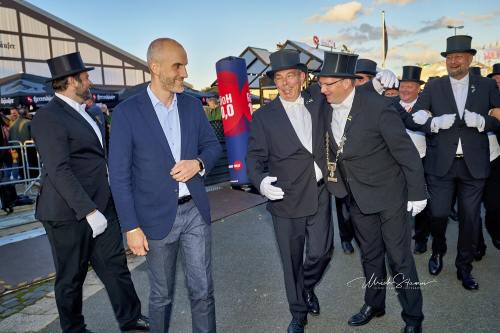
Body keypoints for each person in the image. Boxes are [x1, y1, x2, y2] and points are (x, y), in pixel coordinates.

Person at [109, 38, 221, 333]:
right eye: (178, 65)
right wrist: (130, 227)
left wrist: (197, 164)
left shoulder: (192, 105)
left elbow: (212, 146)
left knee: (203, 290)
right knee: (161, 296)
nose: (184, 72)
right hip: (154, 219)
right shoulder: (126, 113)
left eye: (185, 64)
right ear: (155, 67)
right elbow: (119, 176)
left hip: (195, 211)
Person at [31, 52, 149, 333]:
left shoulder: (88, 114)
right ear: (72, 81)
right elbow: (59, 170)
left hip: (102, 205)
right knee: (71, 277)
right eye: (86, 77)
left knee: (115, 267)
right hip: (67, 213)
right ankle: (74, 329)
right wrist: (88, 211)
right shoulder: (47, 117)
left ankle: (131, 320)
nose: (90, 82)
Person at [319, 51, 426, 333]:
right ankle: (374, 304)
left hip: (390, 195)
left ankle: (413, 317)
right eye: (321, 83)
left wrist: (417, 192)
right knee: (370, 255)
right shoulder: (326, 104)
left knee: (399, 258)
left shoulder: (379, 107)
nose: (322, 89)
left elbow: (406, 153)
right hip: (356, 196)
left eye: (328, 84)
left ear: (347, 82)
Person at [246, 49, 332, 333]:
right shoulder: (264, 117)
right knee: (291, 259)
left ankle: (307, 287)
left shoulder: (318, 101)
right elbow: (254, 158)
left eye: (291, 76)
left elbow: (345, 94)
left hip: (319, 191)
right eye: (279, 78)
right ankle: (298, 312)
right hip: (286, 197)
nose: (285, 83)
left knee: (321, 252)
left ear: (303, 77)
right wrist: (260, 183)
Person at [410, 35, 500, 290]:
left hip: (474, 164)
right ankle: (437, 250)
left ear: (470, 58)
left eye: (459, 56)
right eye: (449, 57)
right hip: (441, 164)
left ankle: (464, 266)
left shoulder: (486, 86)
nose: (453, 61)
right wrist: (434, 124)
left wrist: (483, 122)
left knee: (470, 218)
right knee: (438, 214)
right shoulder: (435, 86)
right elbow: (416, 116)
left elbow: (499, 116)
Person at [398, 66, 430, 254]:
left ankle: (421, 238)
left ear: (418, 88)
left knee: (422, 202)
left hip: (421, 160)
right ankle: (399, 237)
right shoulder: (391, 104)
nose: (405, 89)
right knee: (396, 202)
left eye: (410, 86)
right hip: (395, 162)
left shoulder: (427, 107)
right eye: (403, 85)